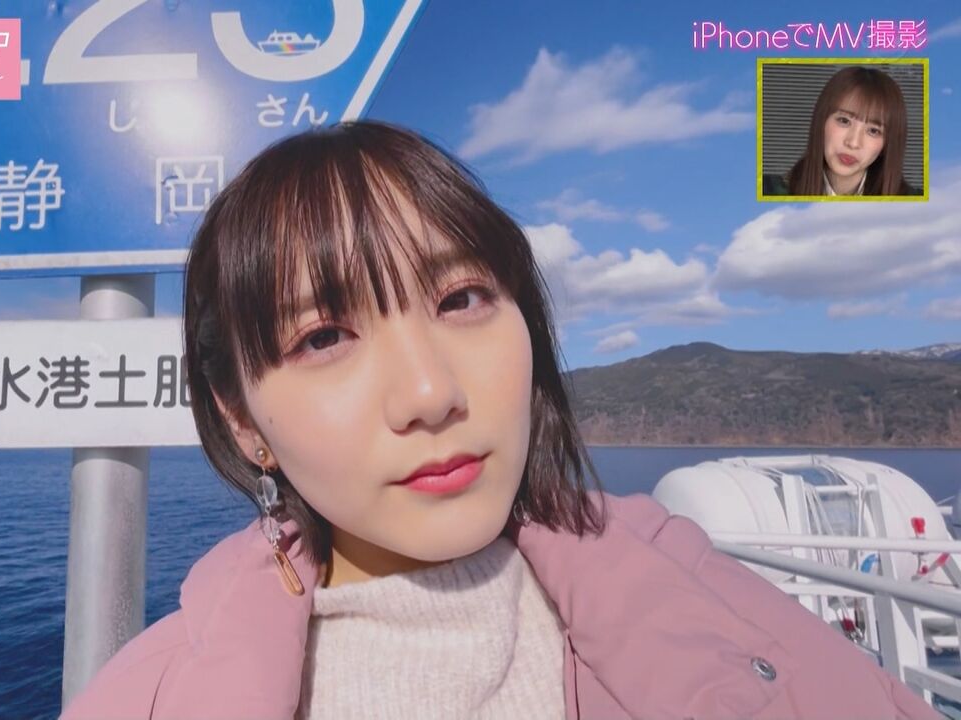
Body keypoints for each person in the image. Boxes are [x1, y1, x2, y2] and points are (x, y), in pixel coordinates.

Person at [63, 121, 941, 719]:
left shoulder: (690, 578)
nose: (429, 392)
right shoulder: (148, 696)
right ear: (241, 419)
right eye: (324, 336)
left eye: (462, 298)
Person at [763, 65, 922, 197]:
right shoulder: (768, 191)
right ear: (821, 122)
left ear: (886, 145)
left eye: (873, 131)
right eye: (844, 121)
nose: (853, 143)